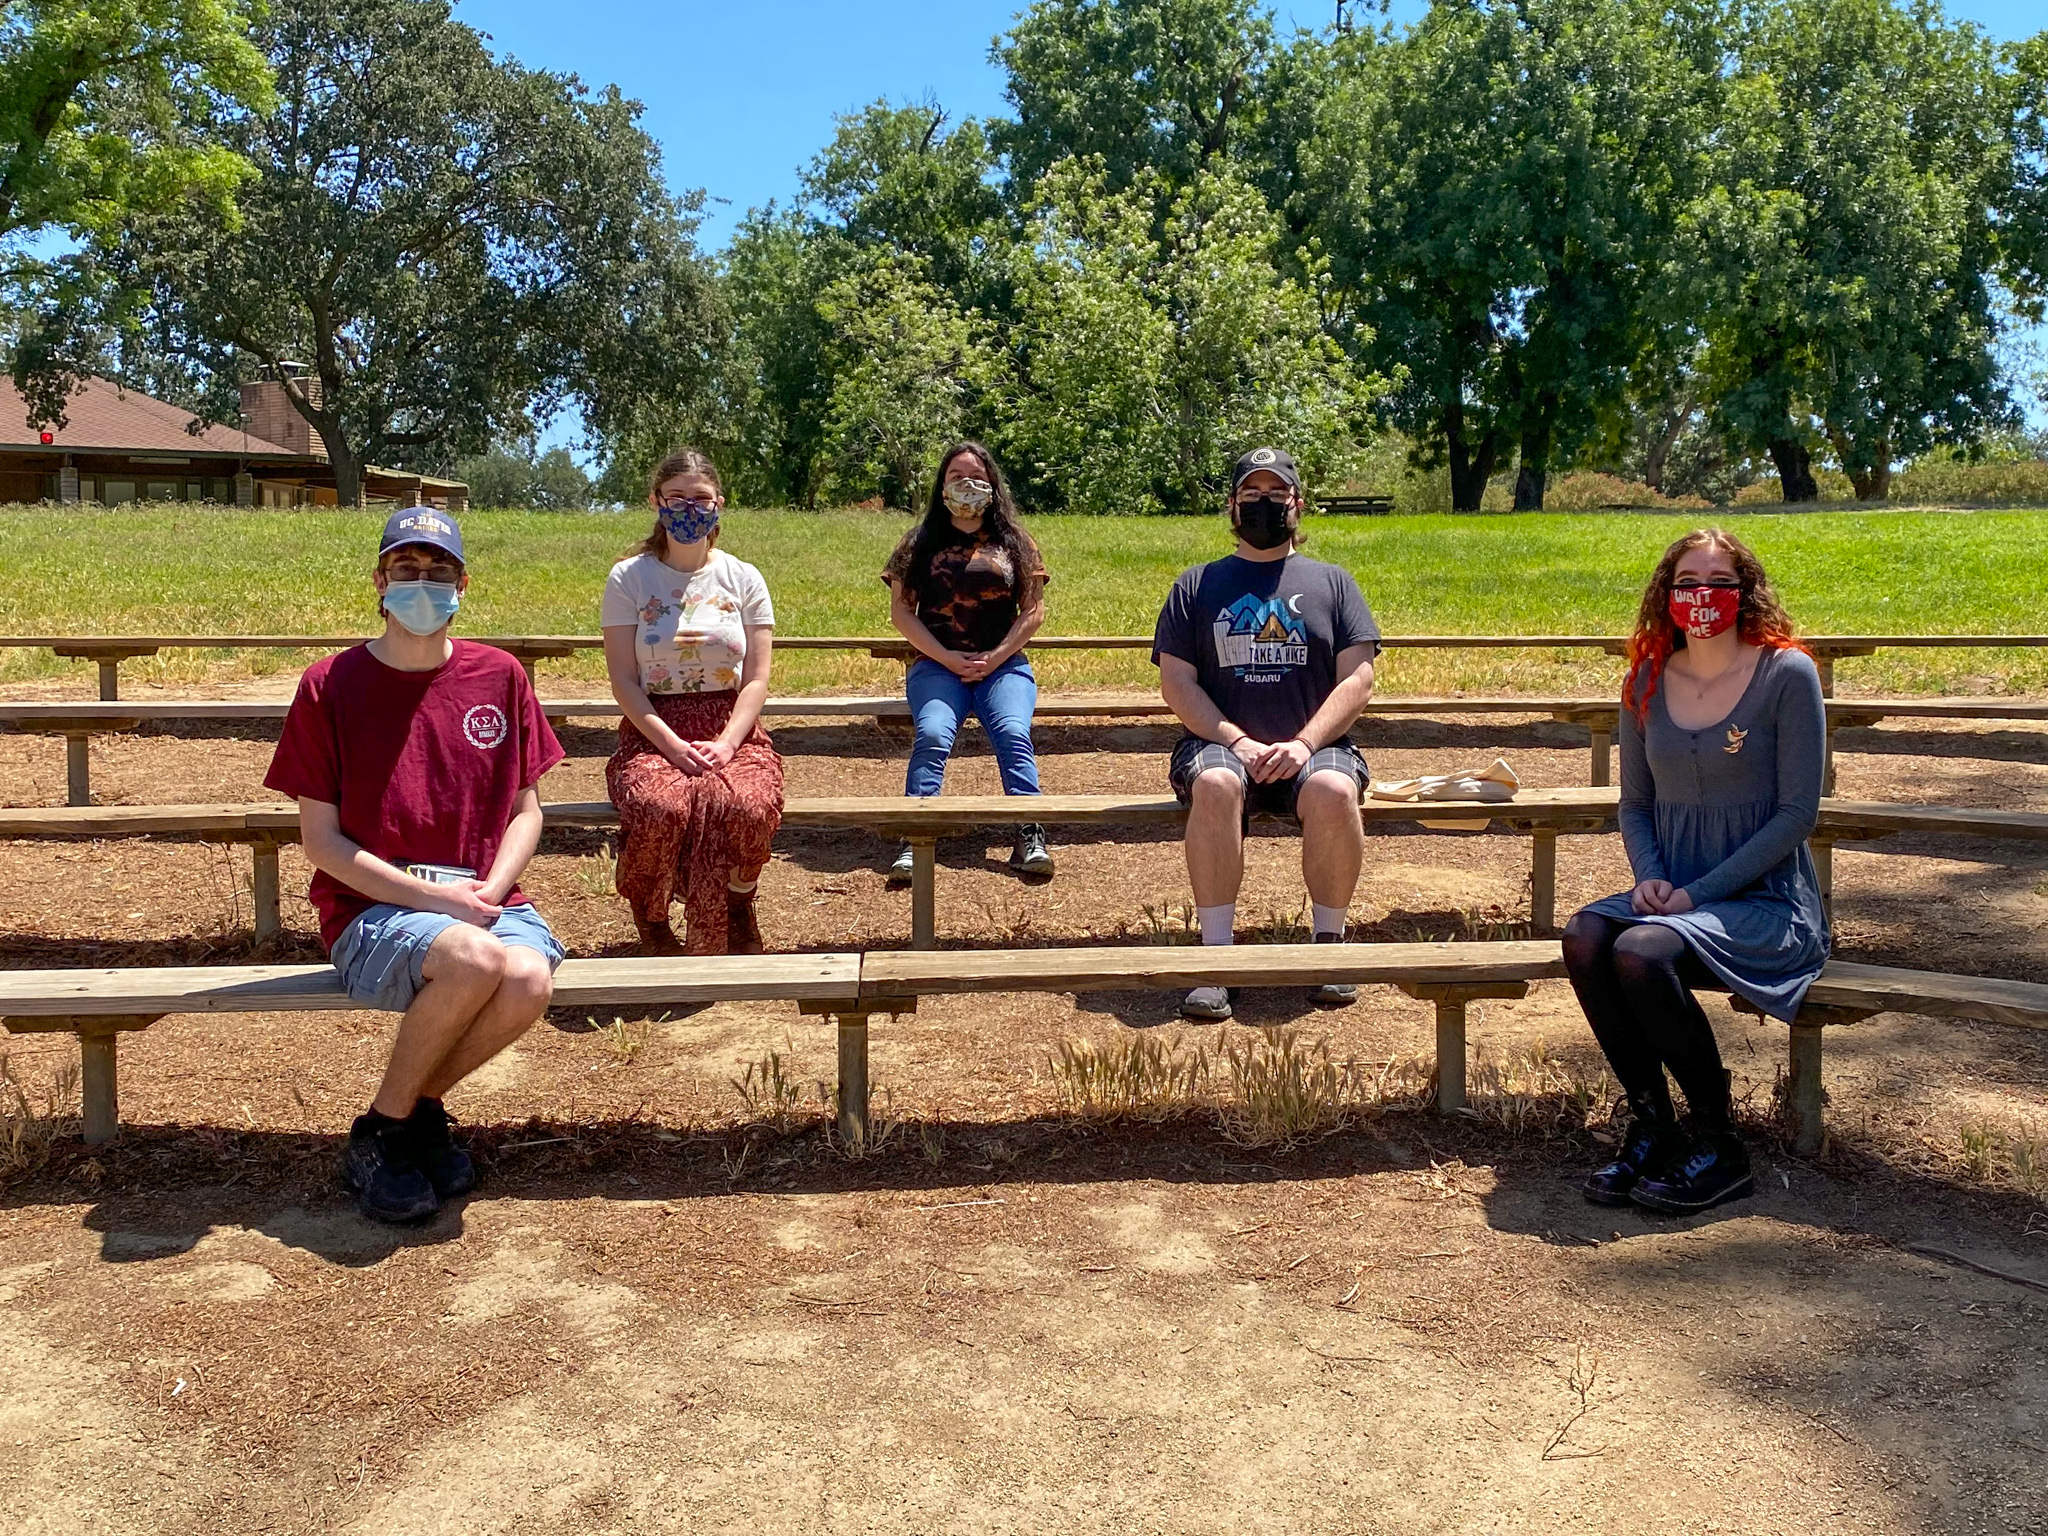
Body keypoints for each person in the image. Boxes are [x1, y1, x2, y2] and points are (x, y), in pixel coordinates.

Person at [265, 506, 566, 1225]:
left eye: (439, 572)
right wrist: (444, 905)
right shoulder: (328, 685)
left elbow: (528, 812)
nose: (422, 585)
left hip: (484, 899)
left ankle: (414, 1113)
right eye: (407, 569)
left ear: (464, 585)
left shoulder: (499, 676)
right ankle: (379, 1136)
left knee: (526, 977)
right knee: (472, 958)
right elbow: (322, 843)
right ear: (379, 582)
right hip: (369, 905)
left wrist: (487, 889)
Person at [1562, 527, 1827, 1216]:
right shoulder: (1645, 677)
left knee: (1642, 948)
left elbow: (1798, 814)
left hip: (1764, 899)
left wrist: (1694, 895)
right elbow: (1636, 803)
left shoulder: (1786, 674)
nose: (1701, 596)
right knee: (1588, 935)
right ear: (1666, 593)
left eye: (1718, 582)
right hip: (1674, 892)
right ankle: (1653, 1128)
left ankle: (1719, 1143)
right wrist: (1649, 876)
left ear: (1746, 593)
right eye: (1687, 583)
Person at [1152, 447, 1380, 1022]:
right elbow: (1177, 683)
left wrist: (1304, 744)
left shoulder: (1333, 583)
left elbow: (1359, 677)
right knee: (1218, 787)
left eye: (1276, 494)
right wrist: (1236, 741)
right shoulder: (1197, 585)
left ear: (1297, 505)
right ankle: (1216, 961)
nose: (1263, 504)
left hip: (1314, 747)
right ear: (1232, 506)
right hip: (1219, 746)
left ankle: (1329, 949)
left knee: (1333, 790)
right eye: (1251, 494)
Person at [602, 448, 783, 955]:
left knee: (749, 807)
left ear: (719, 504)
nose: (688, 508)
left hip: (733, 724)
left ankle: (737, 899)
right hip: (654, 724)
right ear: (656, 501)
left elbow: (757, 678)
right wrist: (670, 743)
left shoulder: (744, 578)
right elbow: (623, 680)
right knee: (662, 806)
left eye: (699, 499)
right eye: (676, 497)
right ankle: (652, 916)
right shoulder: (629, 579)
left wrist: (728, 743)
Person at [881, 440, 1054, 882]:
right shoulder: (918, 543)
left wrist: (996, 657)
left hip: (1004, 666)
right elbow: (902, 612)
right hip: (937, 665)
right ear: (942, 486)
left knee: (1014, 733)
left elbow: (1033, 612)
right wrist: (947, 658)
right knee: (934, 733)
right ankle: (916, 839)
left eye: (976, 476)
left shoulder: (1016, 542)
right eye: (956, 477)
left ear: (992, 484)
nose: (967, 485)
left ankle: (1029, 832)